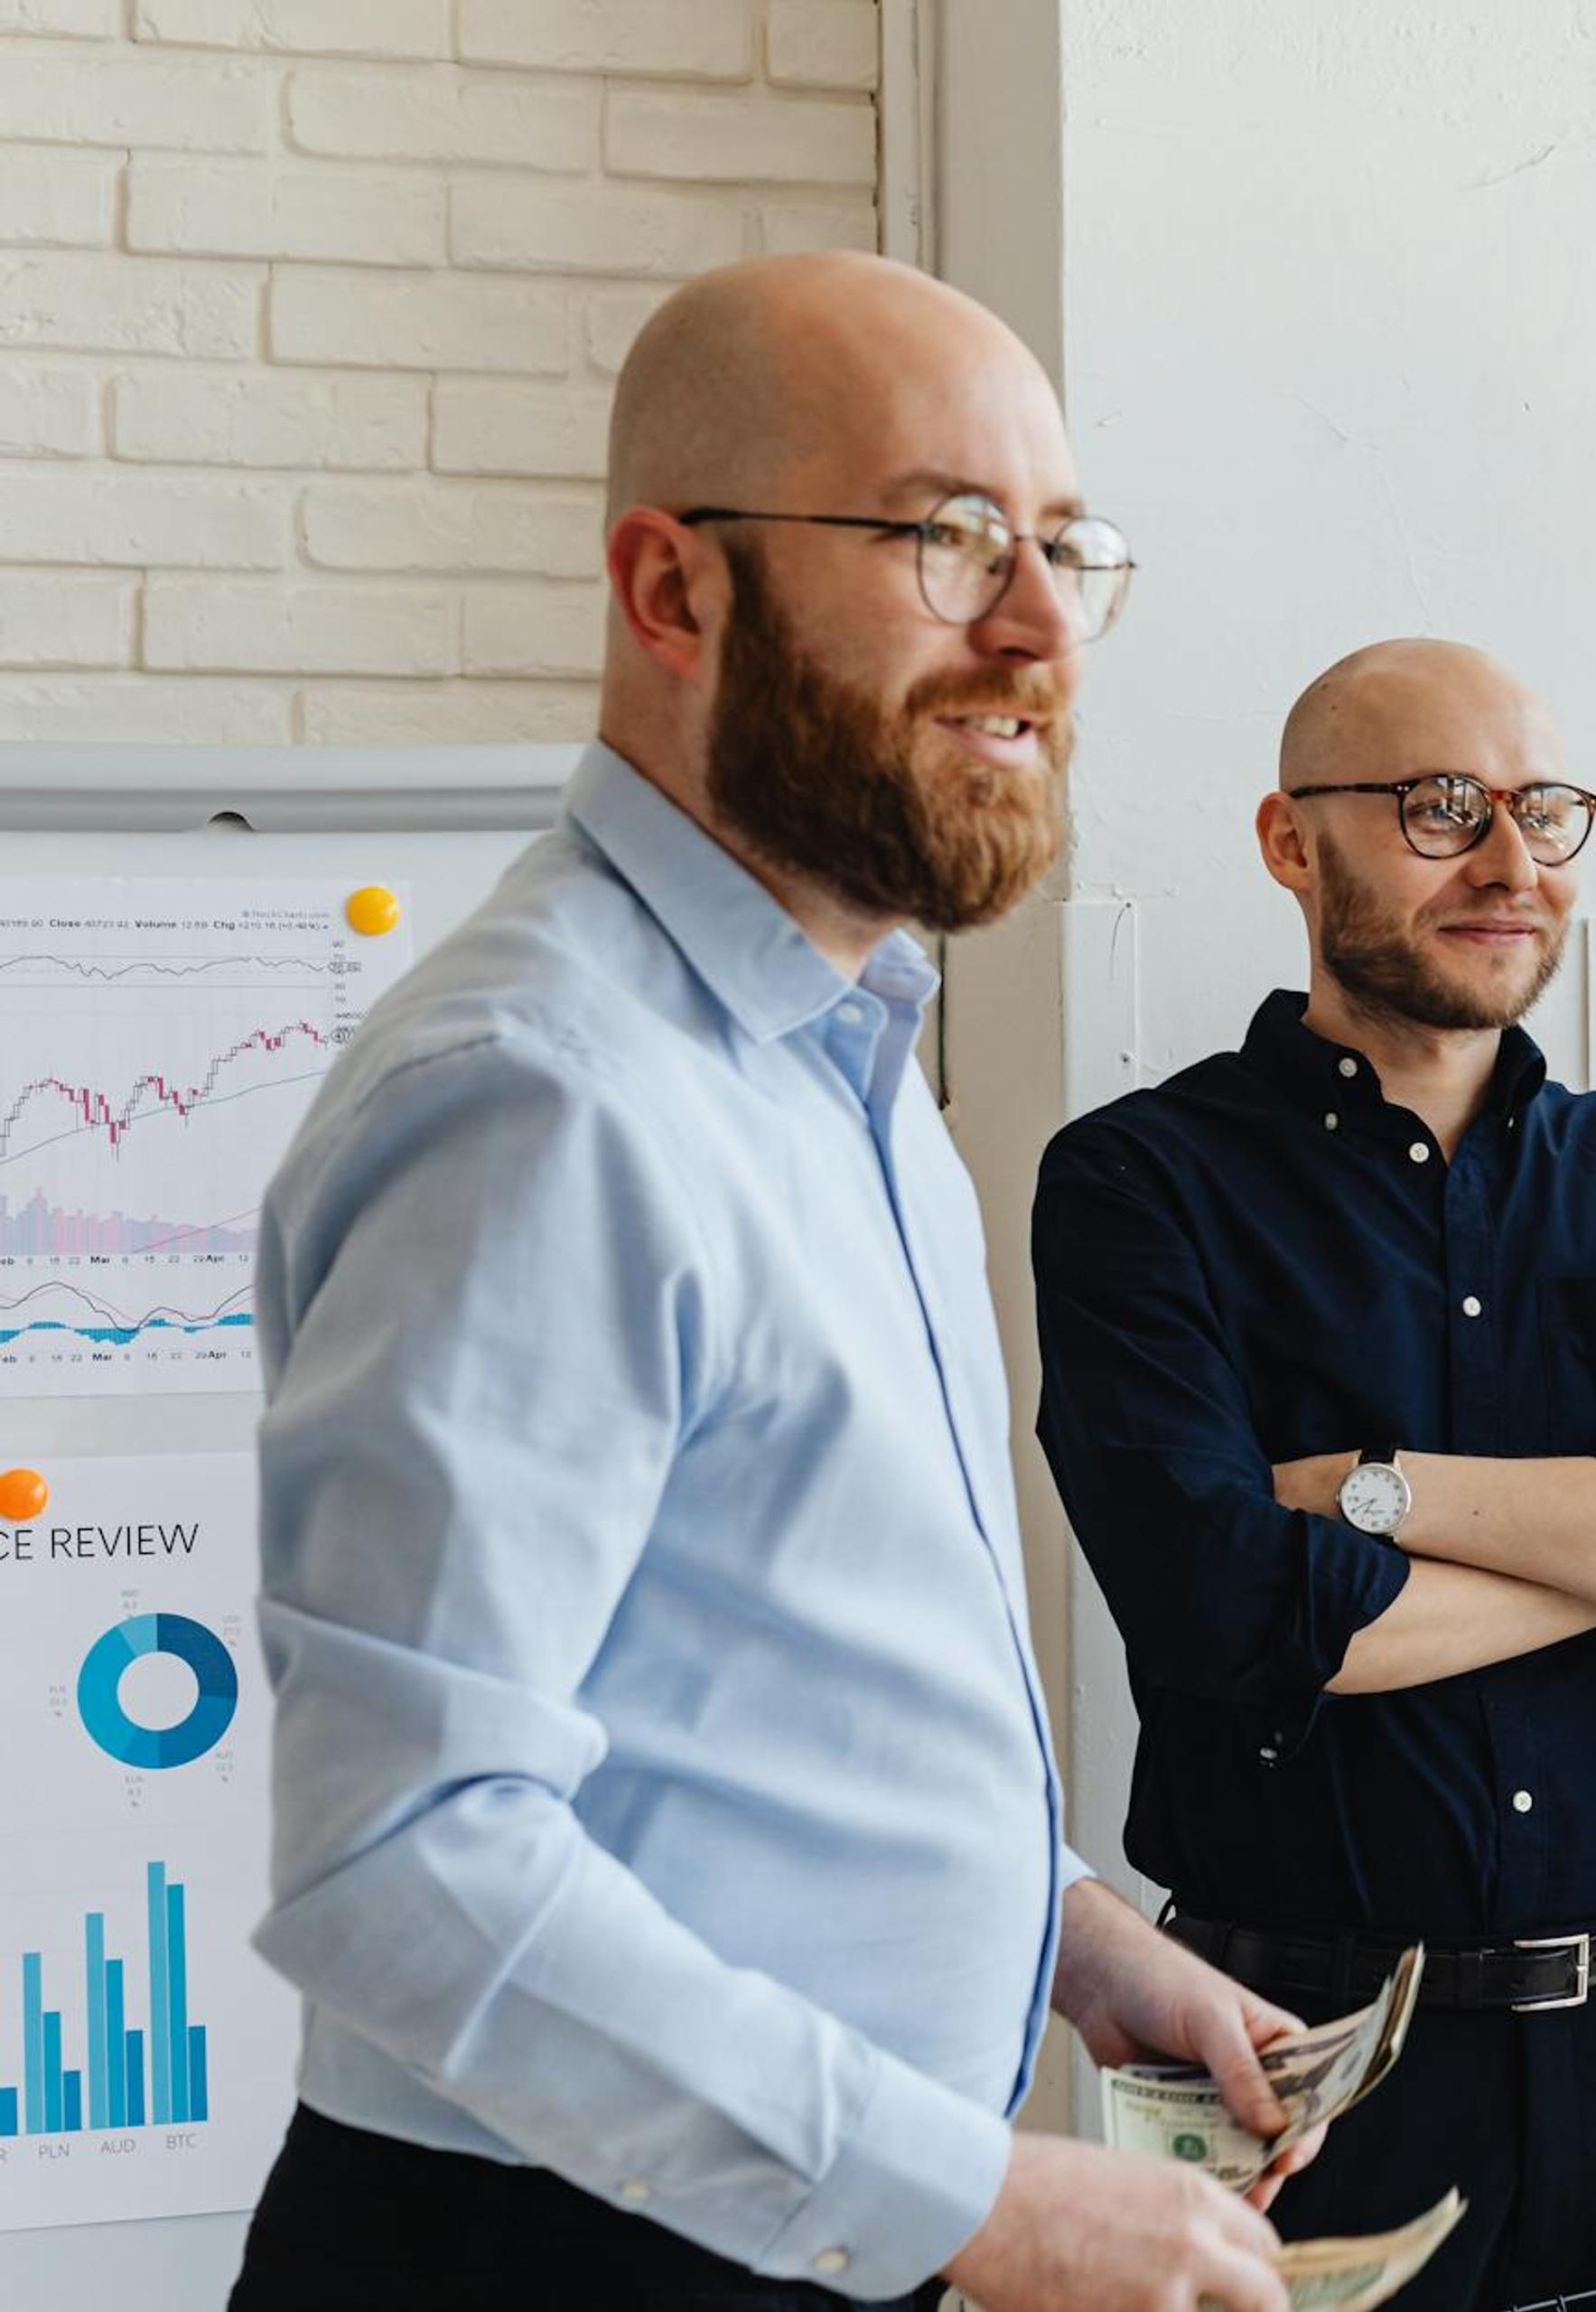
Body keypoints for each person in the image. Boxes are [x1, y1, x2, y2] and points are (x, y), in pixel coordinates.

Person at [239, 251, 1313, 2312]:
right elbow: (406, 1856)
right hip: (552, 2257)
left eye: (1068, 546)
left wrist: (1066, 1937)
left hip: (770, 2230)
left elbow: (742, 1697)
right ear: (673, 593)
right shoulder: (548, 1096)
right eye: (946, 537)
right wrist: (981, 2200)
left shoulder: (845, 1054)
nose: (1039, 628)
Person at [1031, 638, 1596, 2312]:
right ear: (1289, 842)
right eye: (1440, 808)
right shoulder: (1138, 1186)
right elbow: (1223, 1611)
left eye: (1543, 813)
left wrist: (1373, 1493)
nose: (1510, 864)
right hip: (1288, 2065)